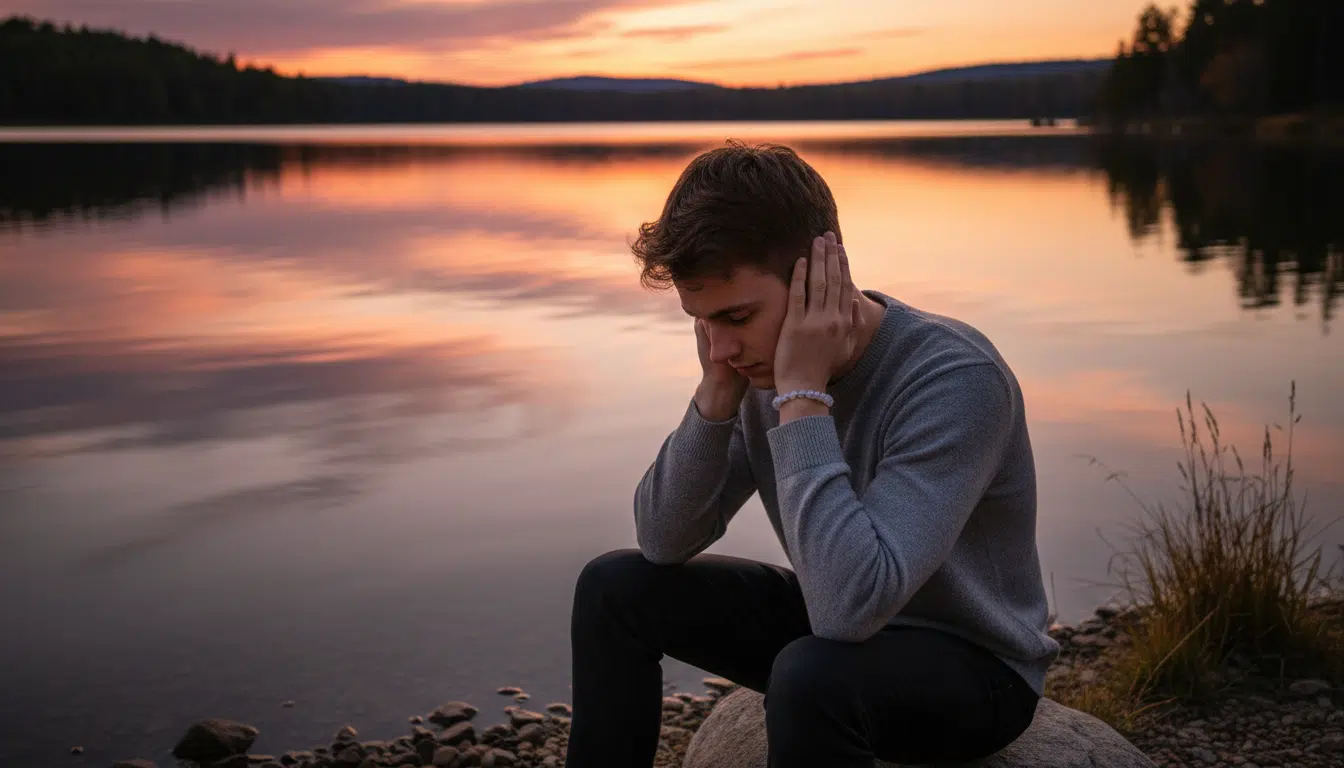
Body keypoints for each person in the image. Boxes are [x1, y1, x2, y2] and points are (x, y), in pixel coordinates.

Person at [564, 140, 1059, 768]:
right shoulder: (749, 370)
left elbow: (849, 610)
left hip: (974, 666)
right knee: (612, 587)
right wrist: (716, 397)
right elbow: (664, 537)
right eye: (702, 321)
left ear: (818, 281)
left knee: (812, 676)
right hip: (839, 612)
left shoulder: (955, 379)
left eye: (737, 316)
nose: (721, 347)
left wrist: (802, 396)